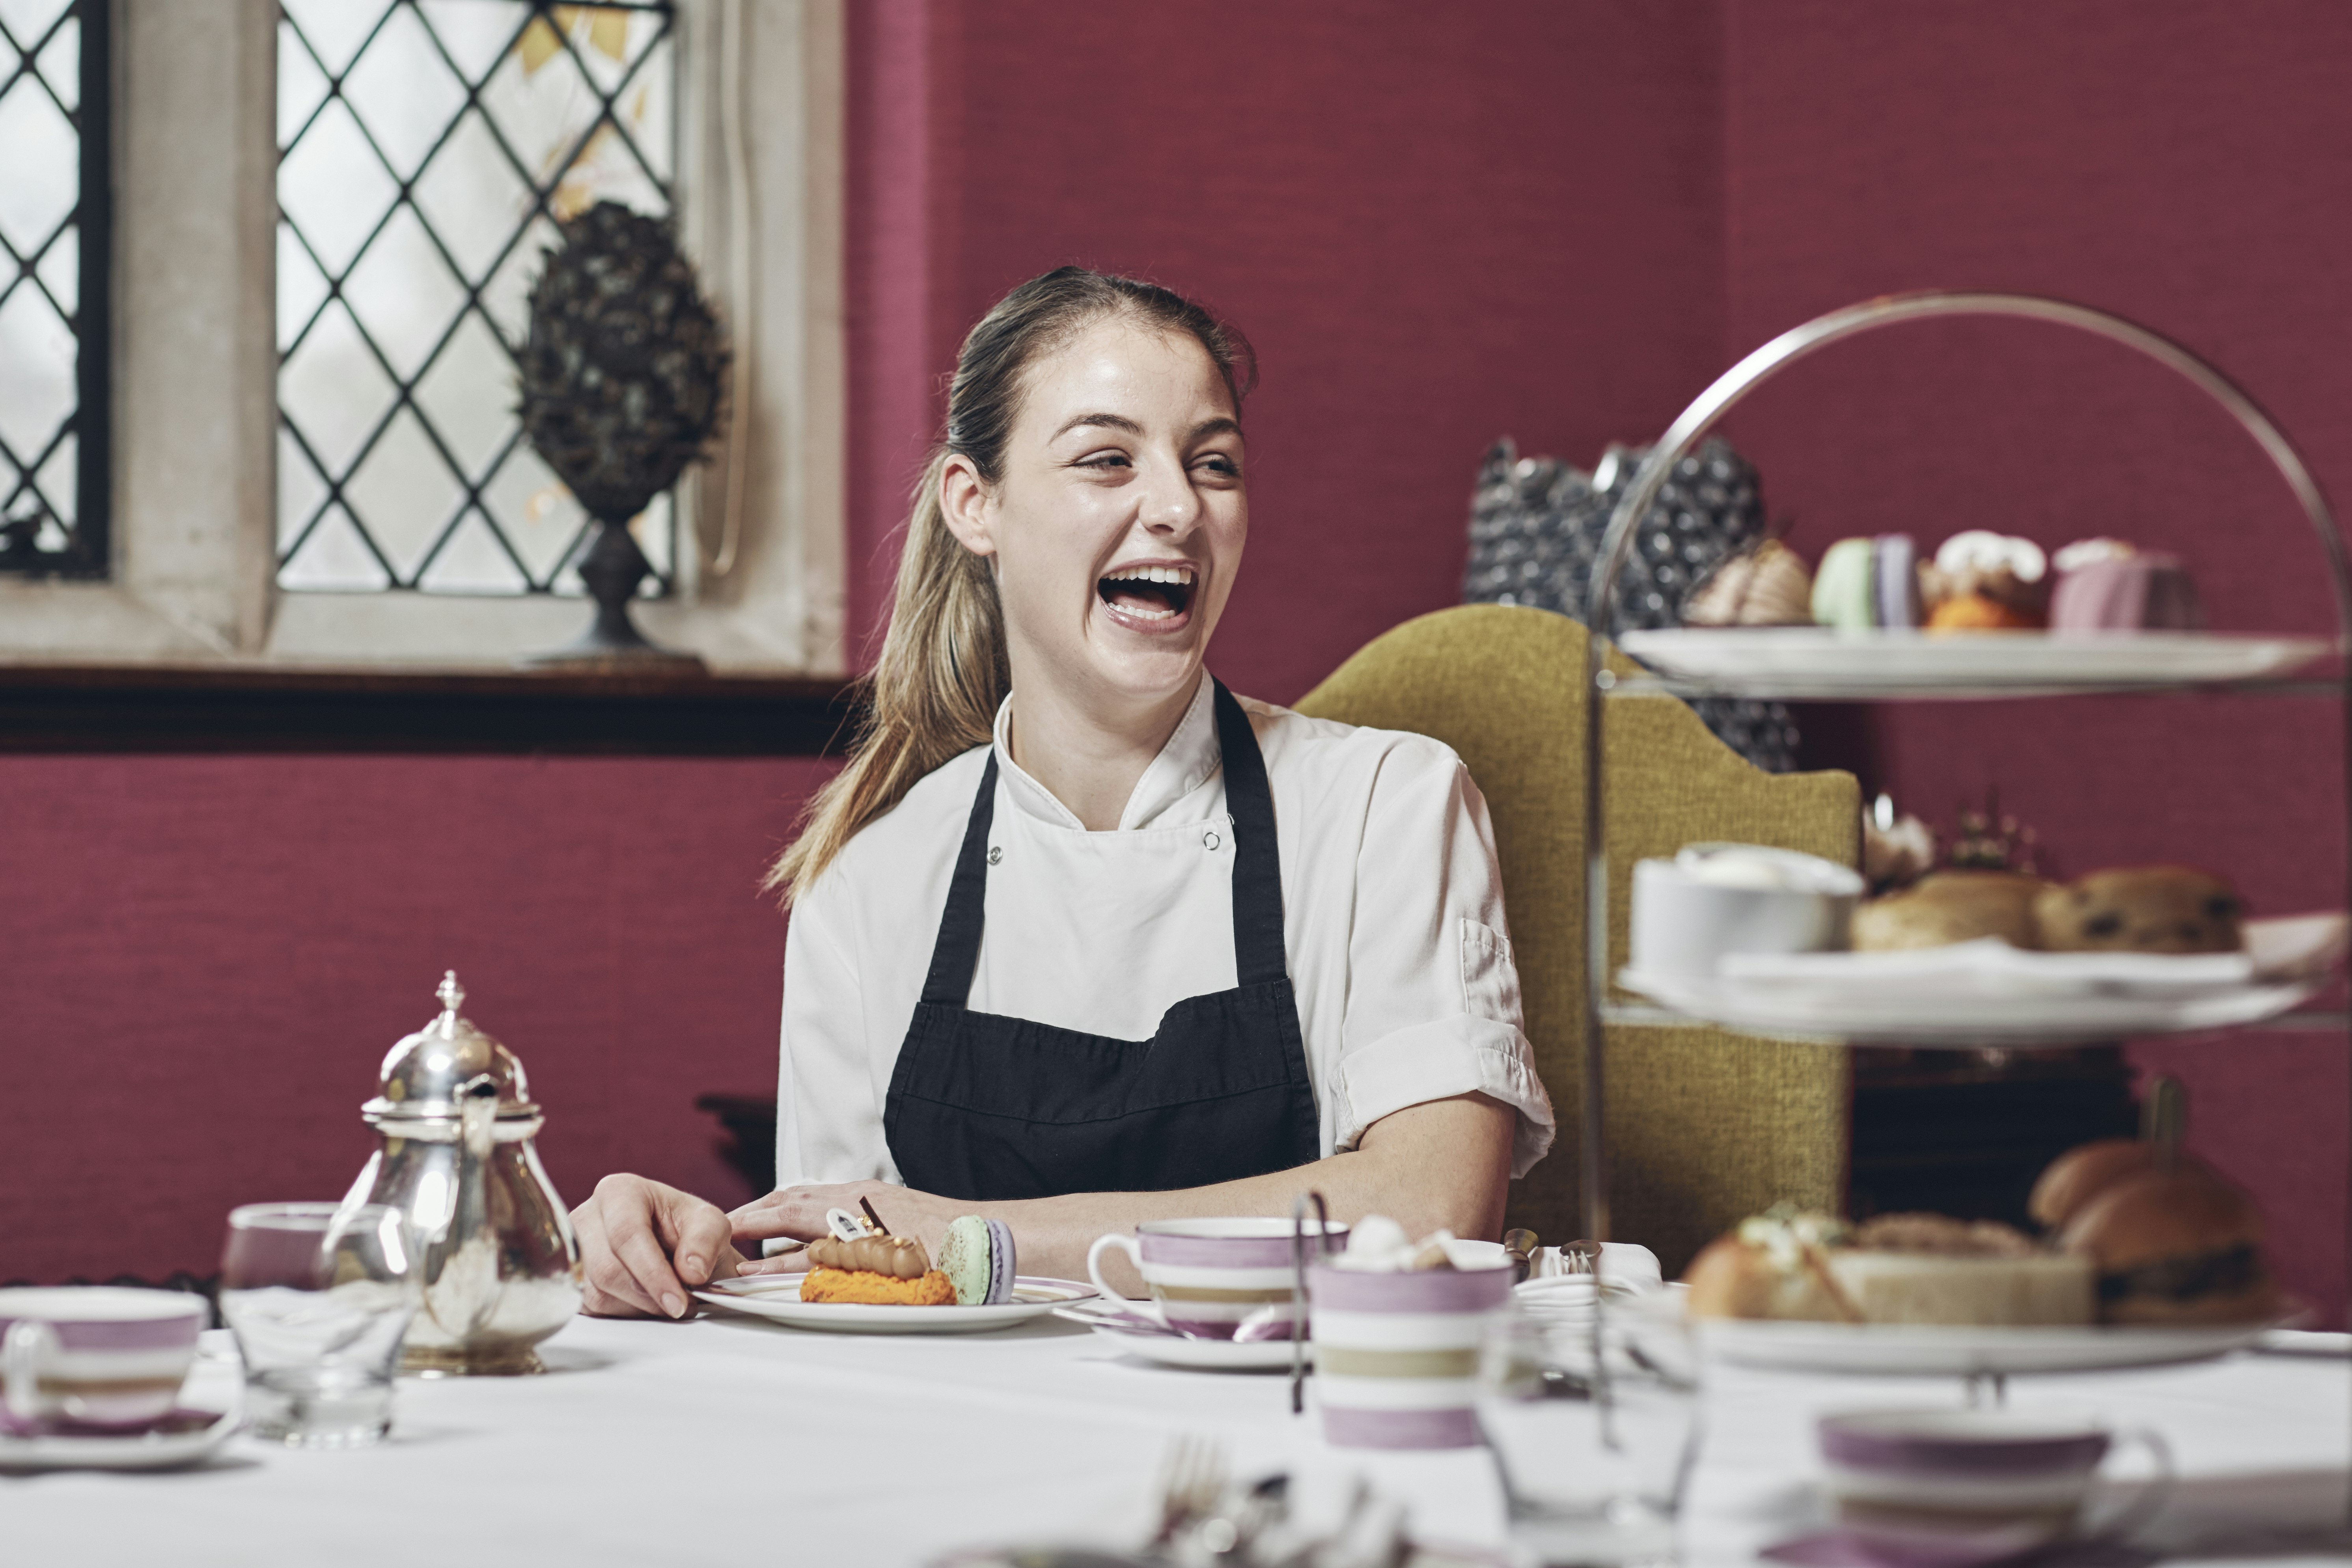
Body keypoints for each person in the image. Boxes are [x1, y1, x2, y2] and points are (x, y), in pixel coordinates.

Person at [572, 267, 1554, 1318]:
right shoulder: (867, 884)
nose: (1178, 507)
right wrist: (684, 1245)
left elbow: (1433, 1209)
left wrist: (969, 1238)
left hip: (1286, 1452)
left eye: (1213, 463)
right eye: (1106, 460)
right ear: (974, 504)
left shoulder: (1389, 809)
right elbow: (843, 1277)